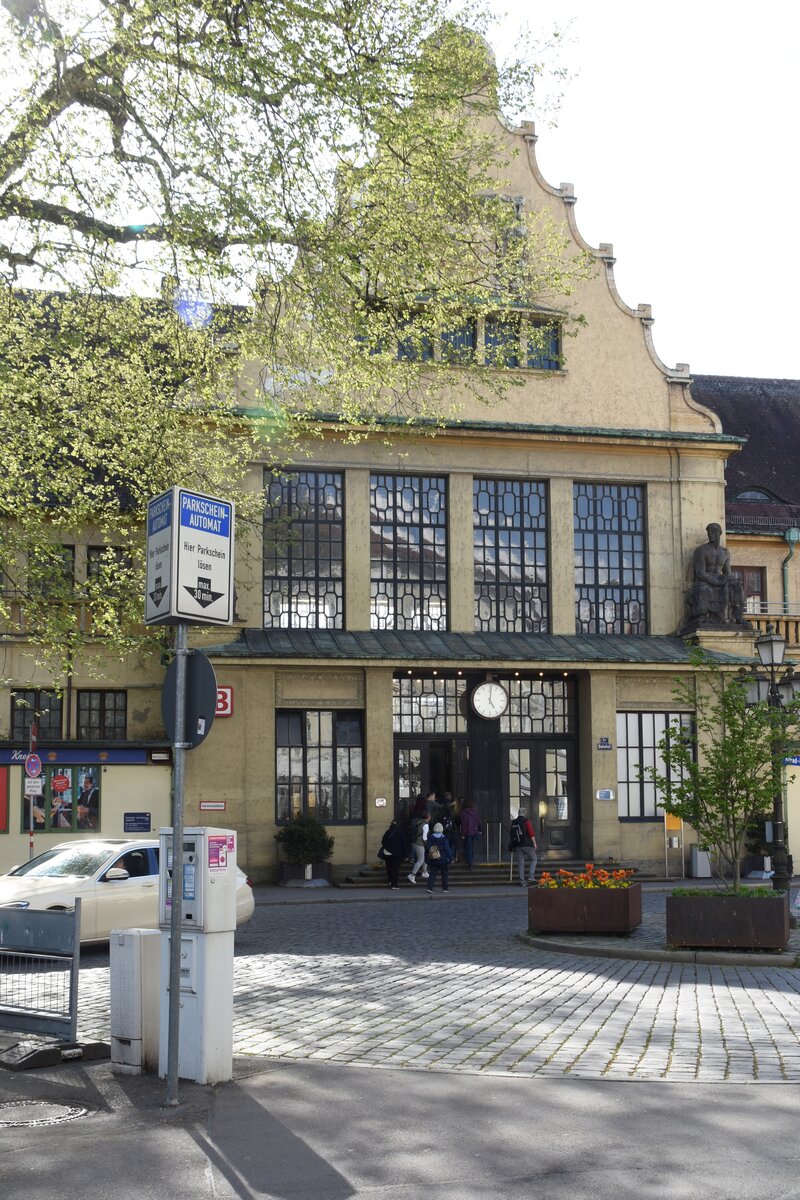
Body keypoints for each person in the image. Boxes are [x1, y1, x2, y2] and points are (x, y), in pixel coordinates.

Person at [685, 522, 746, 627]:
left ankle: (738, 617)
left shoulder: (725, 552)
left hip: (719, 579)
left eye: (713, 531)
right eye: (709, 532)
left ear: (720, 533)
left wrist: (729, 579)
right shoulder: (701, 550)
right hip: (705, 581)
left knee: (737, 587)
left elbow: (727, 572)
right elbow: (700, 573)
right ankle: (706, 616)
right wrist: (716, 582)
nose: (711, 534)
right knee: (703, 589)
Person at [509, 807, 538, 886]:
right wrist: (534, 843)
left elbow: (511, 833)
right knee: (534, 858)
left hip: (517, 845)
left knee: (521, 863)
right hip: (526, 845)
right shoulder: (526, 821)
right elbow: (531, 832)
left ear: (518, 813)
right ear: (525, 812)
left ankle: (522, 882)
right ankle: (531, 876)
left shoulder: (514, 822)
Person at [424, 821, 452, 894]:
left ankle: (429, 888)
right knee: (445, 874)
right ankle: (445, 888)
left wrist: (426, 858)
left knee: (432, 874)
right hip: (443, 859)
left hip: (433, 859)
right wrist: (450, 857)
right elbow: (447, 848)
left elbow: (428, 848)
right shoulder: (444, 838)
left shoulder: (430, 837)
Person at [379, 819, 406, 890]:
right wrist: (405, 855)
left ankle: (390, 881)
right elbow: (403, 844)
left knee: (389, 868)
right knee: (395, 870)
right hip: (397, 854)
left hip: (387, 853)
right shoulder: (400, 833)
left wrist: (387, 847)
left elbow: (383, 841)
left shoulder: (388, 832)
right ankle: (394, 885)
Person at [407, 808, 430, 885]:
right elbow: (424, 837)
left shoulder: (419, 822)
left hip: (415, 842)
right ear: (428, 816)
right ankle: (412, 875)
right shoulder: (426, 825)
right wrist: (428, 843)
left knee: (424, 858)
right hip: (420, 844)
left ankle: (424, 872)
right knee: (420, 860)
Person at [459, 799, 481, 870]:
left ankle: (470, 863)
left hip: (467, 833)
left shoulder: (464, 813)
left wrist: (463, 834)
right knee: (471, 847)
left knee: (468, 848)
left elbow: (464, 824)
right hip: (474, 832)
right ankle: (471, 861)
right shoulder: (475, 812)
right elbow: (478, 822)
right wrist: (479, 830)